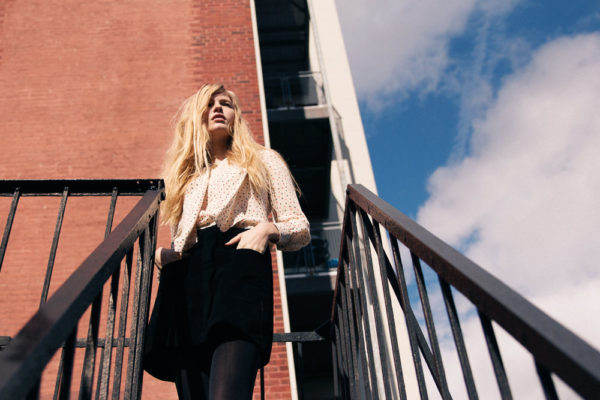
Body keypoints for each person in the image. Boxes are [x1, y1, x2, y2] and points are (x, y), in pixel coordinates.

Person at [143, 84, 310, 400]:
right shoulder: (184, 177)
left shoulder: (264, 159)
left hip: (238, 265)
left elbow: (299, 227)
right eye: (209, 104)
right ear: (197, 116)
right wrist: (165, 256)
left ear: (236, 116)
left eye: (226, 104)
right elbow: (181, 236)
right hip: (187, 279)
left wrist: (266, 230)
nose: (218, 108)